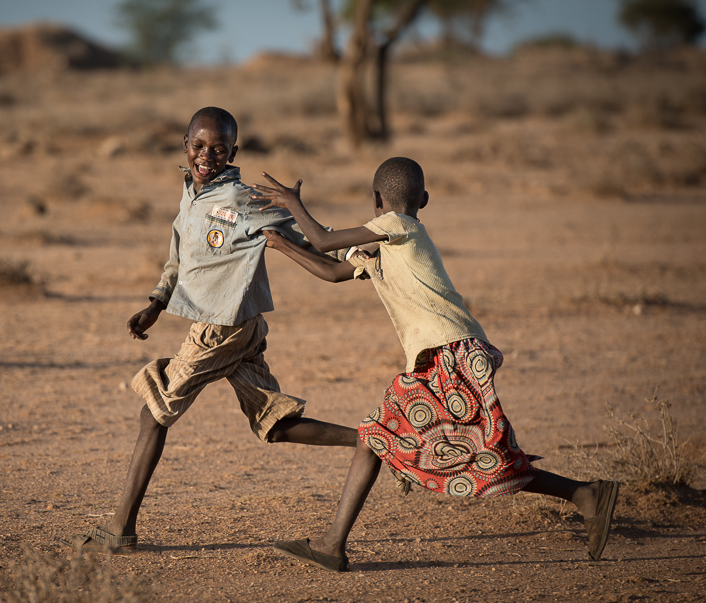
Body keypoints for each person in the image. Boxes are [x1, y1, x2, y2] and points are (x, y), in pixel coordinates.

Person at [250, 157, 619, 572]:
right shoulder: (392, 244)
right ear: (424, 198)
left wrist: (292, 202)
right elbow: (334, 271)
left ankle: (333, 544)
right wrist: (282, 246)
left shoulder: (399, 228)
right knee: (417, 443)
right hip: (445, 357)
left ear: (377, 200)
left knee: (405, 439)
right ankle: (585, 495)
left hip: (450, 354)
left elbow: (320, 240)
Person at [64, 107, 358, 553]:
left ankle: (120, 530)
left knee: (154, 412)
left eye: (219, 148)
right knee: (274, 423)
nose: (208, 155)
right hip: (241, 328)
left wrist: (371, 252)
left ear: (233, 152)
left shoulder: (243, 199)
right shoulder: (191, 193)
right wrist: (156, 303)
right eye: (199, 146)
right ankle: (375, 442)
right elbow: (179, 253)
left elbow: (312, 236)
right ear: (185, 145)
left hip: (222, 329)